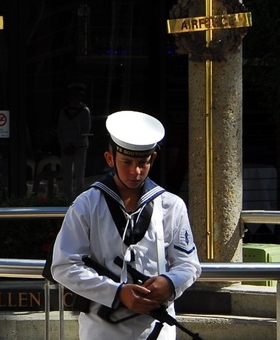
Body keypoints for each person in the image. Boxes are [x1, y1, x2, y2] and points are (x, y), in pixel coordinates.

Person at [51, 110, 201, 340]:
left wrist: (169, 283)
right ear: (110, 159)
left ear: (153, 160)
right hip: (102, 330)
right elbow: (63, 266)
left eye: (143, 162)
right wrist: (117, 292)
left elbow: (188, 264)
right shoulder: (87, 204)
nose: (135, 171)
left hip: (157, 329)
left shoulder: (172, 205)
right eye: (127, 162)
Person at [57, 81, 92, 198]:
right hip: (66, 147)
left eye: (76, 96)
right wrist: (64, 145)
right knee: (66, 173)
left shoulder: (84, 111)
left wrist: (74, 145)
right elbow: (60, 129)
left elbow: (85, 131)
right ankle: (67, 196)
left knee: (79, 173)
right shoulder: (64, 112)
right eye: (72, 96)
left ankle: (79, 197)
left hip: (79, 148)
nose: (74, 98)